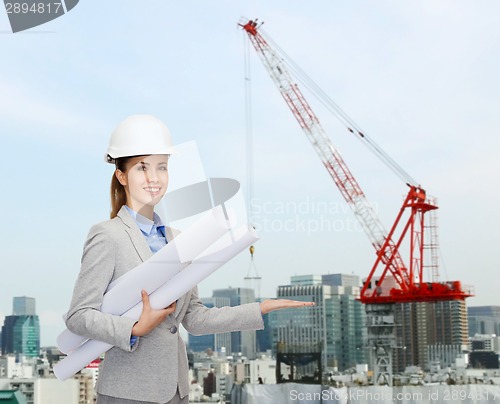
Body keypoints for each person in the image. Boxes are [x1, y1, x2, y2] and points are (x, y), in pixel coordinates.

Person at [65, 114, 315, 404]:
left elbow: (195, 318)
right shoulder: (107, 235)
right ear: (121, 175)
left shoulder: (179, 239)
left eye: (162, 167)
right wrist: (134, 329)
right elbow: (78, 315)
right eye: (141, 167)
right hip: (127, 393)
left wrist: (260, 309)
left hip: (176, 391)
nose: (154, 178)